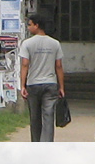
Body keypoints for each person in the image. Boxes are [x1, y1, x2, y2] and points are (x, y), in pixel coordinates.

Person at [19, 13, 64, 142]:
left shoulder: (27, 44)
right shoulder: (55, 43)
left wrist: (22, 85)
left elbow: (25, 64)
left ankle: (36, 143)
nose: (28, 28)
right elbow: (59, 66)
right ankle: (48, 144)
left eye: (29, 25)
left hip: (33, 84)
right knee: (48, 116)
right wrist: (61, 87)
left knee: (35, 117)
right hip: (50, 84)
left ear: (36, 25)